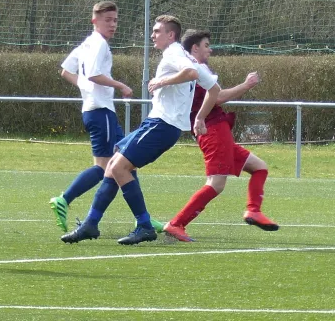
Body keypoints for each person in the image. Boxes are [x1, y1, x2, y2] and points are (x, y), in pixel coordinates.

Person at [61, 15, 220, 245]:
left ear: (171, 35)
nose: (153, 35)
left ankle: (144, 225)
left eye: (157, 31)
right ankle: (90, 224)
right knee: (113, 165)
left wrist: (161, 82)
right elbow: (213, 89)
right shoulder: (185, 55)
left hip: (162, 125)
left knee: (120, 168)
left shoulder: (175, 53)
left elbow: (191, 74)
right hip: (159, 124)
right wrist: (199, 118)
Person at [162, 29, 279, 242]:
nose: (210, 49)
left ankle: (253, 210)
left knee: (259, 167)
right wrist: (247, 85)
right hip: (212, 130)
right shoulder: (195, 69)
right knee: (216, 183)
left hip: (218, 129)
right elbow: (218, 97)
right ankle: (177, 223)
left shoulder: (191, 69)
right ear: (194, 48)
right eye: (206, 45)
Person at [49, 1, 136, 233]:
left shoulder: (86, 44)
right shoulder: (98, 44)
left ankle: (143, 218)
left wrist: (85, 87)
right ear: (94, 20)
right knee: (104, 168)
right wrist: (121, 85)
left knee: (126, 163)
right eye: (108, 20)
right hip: (101, 111)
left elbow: (66, 71)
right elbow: (96, 74)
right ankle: (64, 200)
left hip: (97, 110)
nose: (113, 25)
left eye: (115, 20)